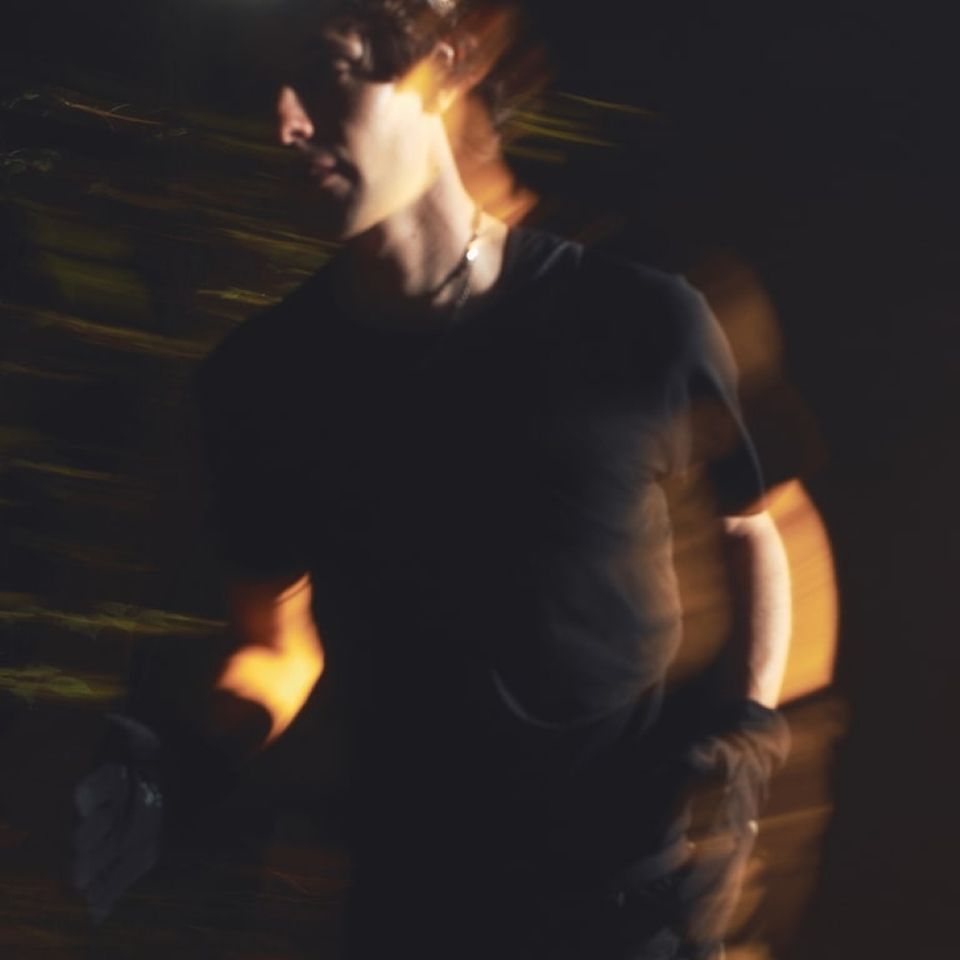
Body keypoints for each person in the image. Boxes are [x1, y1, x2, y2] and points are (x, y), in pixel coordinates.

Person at [71, 2, 792, 957]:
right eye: (265, 91)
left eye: (324, 72)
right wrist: (175, 766)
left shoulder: (640, 320)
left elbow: (751, 529)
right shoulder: (257, 385)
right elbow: (277, 650)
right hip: (410, 905)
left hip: (629, 900)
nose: (284, 122)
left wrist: (748, 731)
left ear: (440, 70)